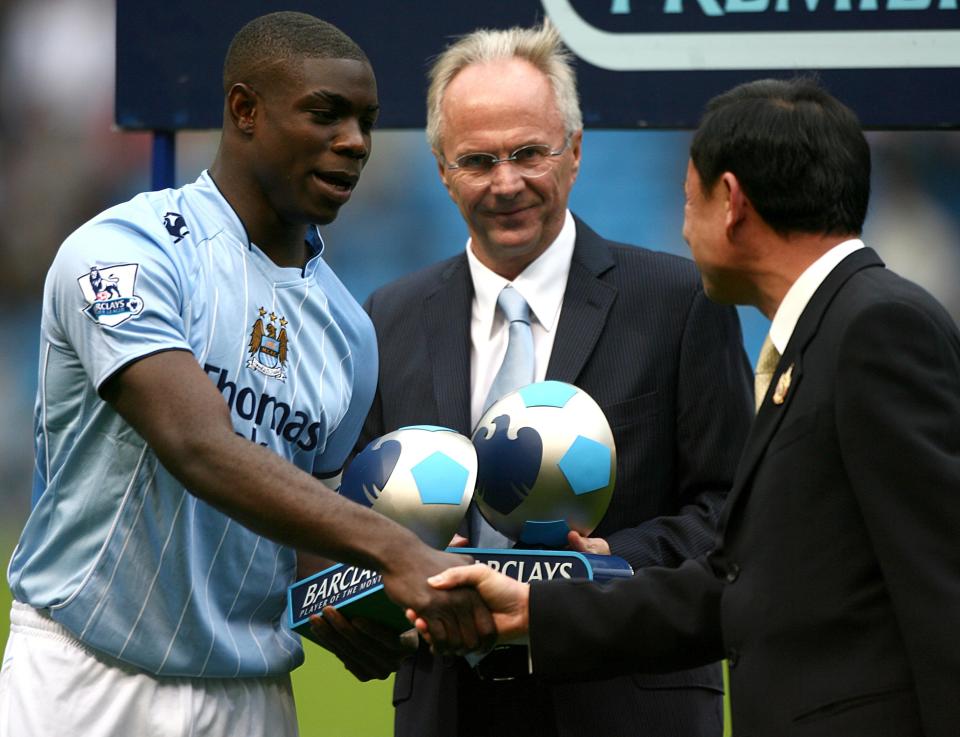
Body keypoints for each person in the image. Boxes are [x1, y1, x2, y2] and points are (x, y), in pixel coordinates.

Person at [415, 77, 960, 737]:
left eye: (686, 198)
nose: (680, 224)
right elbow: (733, 587)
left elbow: (943, 584)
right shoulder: (824, 335)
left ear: (729, 202)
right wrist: (537, 609)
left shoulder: (877, 328)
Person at [0, 12, 493, 737]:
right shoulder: (124, 253)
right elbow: (197, 443)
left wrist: (354, 608)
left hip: (250, 698)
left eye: (366, 121)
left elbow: (297, 535)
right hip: (83, 677)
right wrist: (393, 549)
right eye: (325, 114)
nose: (354, 142)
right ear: (244, 111)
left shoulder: (349, 332)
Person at [310, 21, 754, 737]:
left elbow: (732, 509)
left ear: (574, 152)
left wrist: (609, 565)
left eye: (528, 153)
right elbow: (358, 516)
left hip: (623, 701)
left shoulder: (676, 303)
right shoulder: (387, 317)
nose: (506, 182)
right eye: (478, 160)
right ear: (442, 171)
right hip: (448, 705)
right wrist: (395, 572)